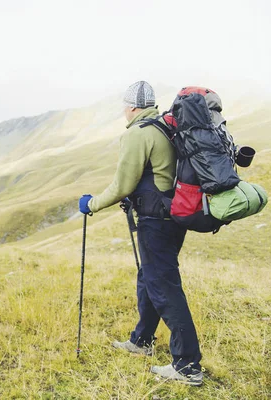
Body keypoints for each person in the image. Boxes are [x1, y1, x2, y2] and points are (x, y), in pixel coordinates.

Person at [78, 81, 203, 386]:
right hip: (172, 216)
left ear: (131, 106)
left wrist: (91, 204)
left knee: (163, 286)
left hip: (155, 221)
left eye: (124, 106)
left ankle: (188, 366)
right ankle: (141, 340)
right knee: (150, 278)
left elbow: (123, 183)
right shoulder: (164, 126)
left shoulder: (138, 132)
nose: (123, 111)